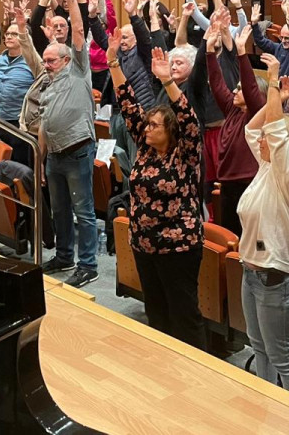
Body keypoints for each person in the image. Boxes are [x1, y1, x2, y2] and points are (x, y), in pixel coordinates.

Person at [110, 34, 206, 350]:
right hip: (145, 246)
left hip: (178, 248)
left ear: (171, 131)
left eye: (155, 126)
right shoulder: (147, 150)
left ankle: (198, 377)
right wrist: (112, 62)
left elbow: (189, 118)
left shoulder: (186, 153)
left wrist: (167, 82)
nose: (147, 129)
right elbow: (127, 102)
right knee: (157, 314)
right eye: (147, 125)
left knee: (183, 316)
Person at [235, 59, 289, 397]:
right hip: (252, 274)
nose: (262, 140)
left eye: (272, 134)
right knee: (259, 348)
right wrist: (278, 102)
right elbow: (252, 131)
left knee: (284, 358)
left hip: (278, 279)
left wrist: (271, 85)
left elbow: (274, 135)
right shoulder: (267, 165)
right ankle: (264, 404)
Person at [38, 0, 99, 289]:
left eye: (51, 61)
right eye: (45, 61)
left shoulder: (78, 69)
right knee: (60, 210)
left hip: (77, 150)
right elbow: (45, 126)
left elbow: (77, 29)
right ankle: (64, 255)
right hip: (55, 155)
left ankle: (88, 265)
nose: (46, 65)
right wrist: (42, 160)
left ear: (65, 60)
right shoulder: (48, 84)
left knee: (83, 210)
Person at [206, 22, 266, 235]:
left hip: (248, 184)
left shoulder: (257, 114)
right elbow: (216, 84)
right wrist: (210, 52)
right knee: (229, 238)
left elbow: (250, 87)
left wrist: (242, 53)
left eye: (238, 89)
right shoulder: (233, 109)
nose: (234, 90)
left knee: (247, 238)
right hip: (227, 185)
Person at [0, 20, 37, 167]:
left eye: (14, 34)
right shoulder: (0, 59)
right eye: (7, 33)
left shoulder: (33, 62)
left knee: (18, 165)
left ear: (24, 37)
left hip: (19, 124)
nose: (8, 36)